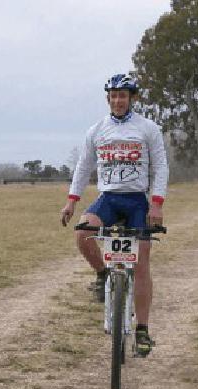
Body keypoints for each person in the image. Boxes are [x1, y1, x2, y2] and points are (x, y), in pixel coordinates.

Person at [59, 73, 169, 357]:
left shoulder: (148, 128)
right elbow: (84, 167)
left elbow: (161, 167)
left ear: (132, 98)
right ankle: (103, 274)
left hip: (136, 201)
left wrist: (156, 204)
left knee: (142, 263)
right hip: (108, 199)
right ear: (108, 99)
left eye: (123, 96)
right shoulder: (96, 131)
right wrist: (72, 201)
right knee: (84, 233)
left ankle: (142, 329)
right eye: (113, 96)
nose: (118, 101)